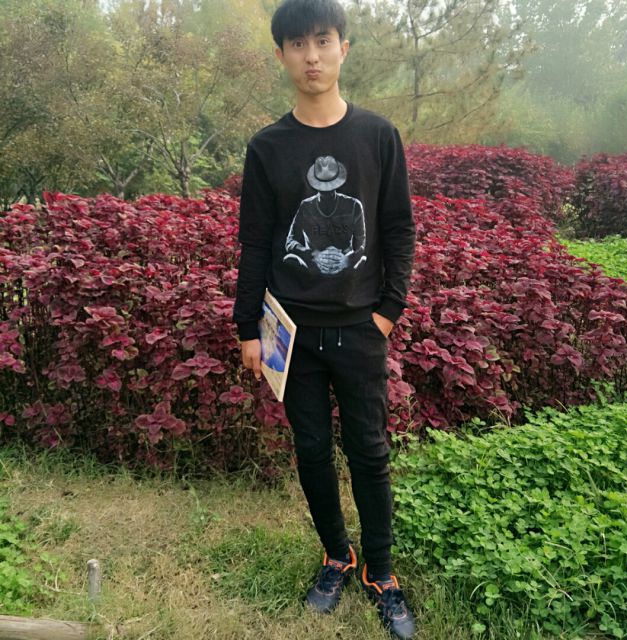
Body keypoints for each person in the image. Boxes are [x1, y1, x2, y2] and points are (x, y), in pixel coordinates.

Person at [232, 0, 417, 637]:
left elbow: (397, 229)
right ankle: (337, 555)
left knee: (369, 451)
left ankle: (381, 571)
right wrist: (247, 326)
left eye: (322, 40)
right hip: (291, 331)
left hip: (361, 329)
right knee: (310, 448)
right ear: (281, 54)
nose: (311, 56)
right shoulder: (268, 147)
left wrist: (388, 312)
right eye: (297, 44)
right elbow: (257, 241)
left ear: (343, 48)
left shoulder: (377, 136)